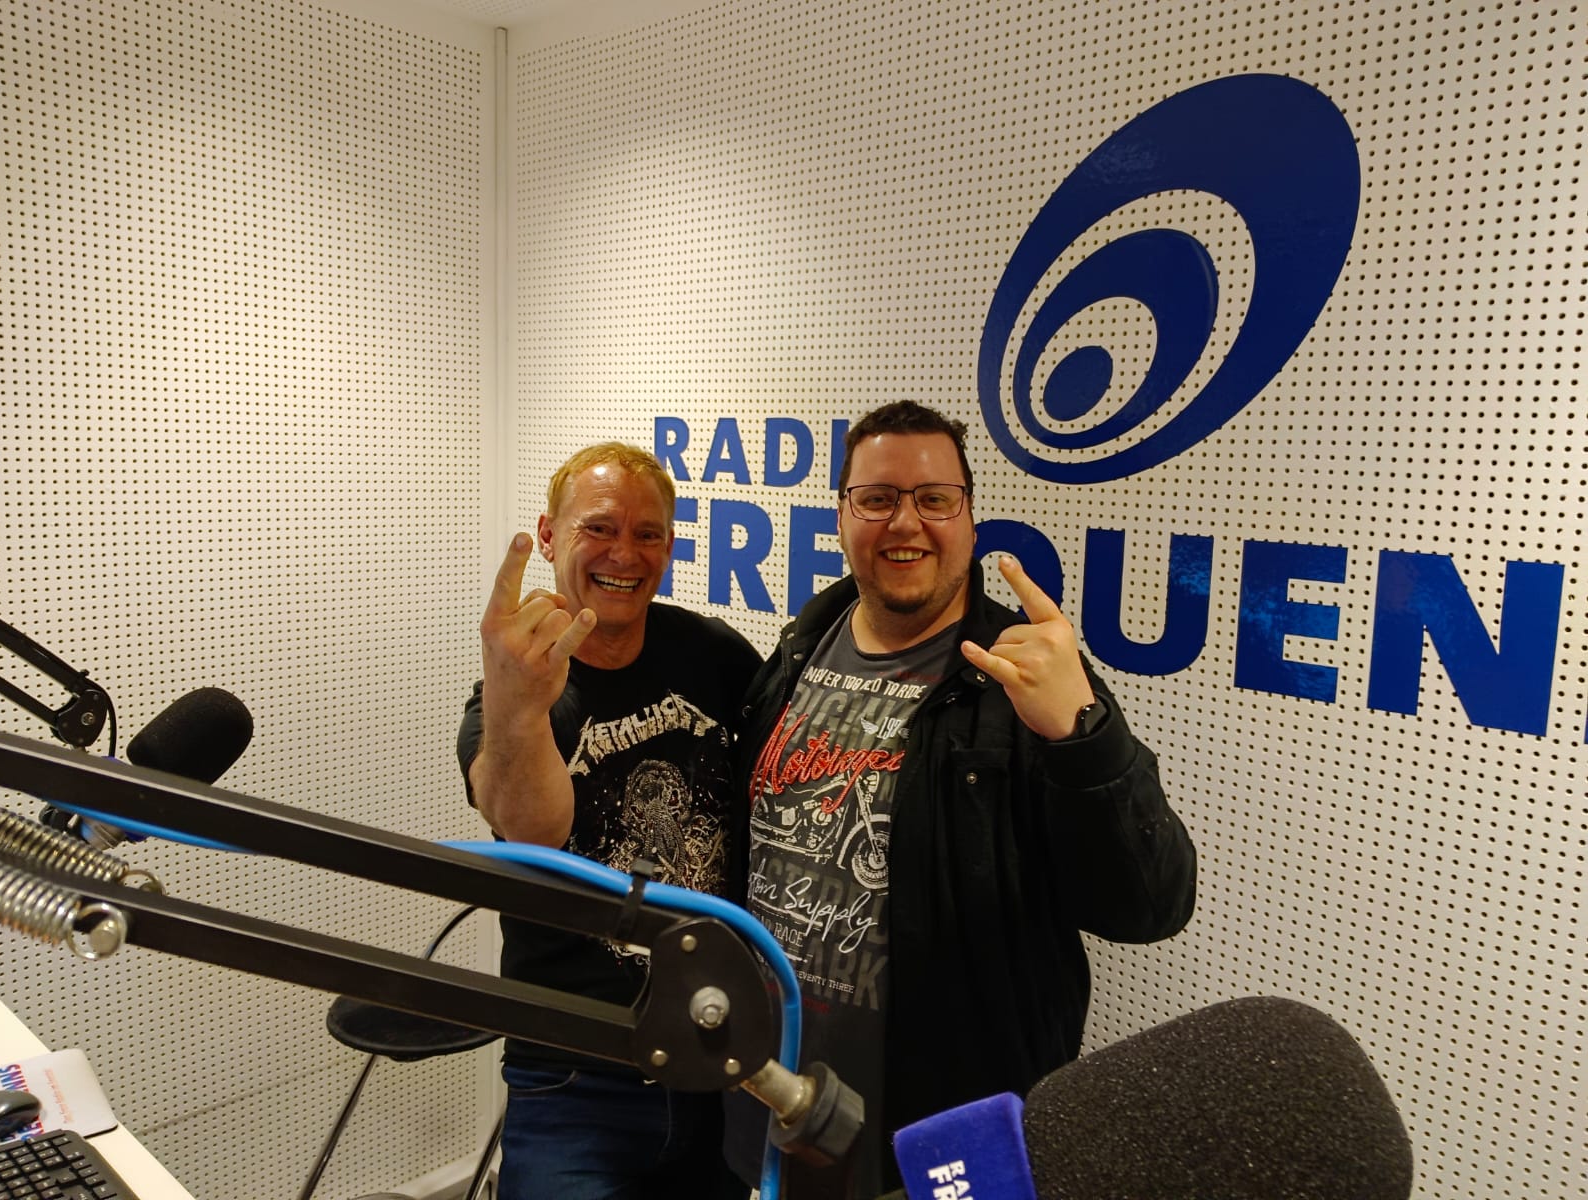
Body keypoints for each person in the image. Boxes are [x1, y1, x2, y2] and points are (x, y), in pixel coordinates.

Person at [726, 401, 1197, 1198]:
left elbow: (1150, 906)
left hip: (936, 1129)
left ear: (969, 519)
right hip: (777, 1102)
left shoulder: (1021, 679)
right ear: (841, 516)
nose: (904, 522)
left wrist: (1081, 733)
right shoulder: (802, 646)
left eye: (934, 499)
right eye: (877, 498)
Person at [457, 442, 762, 1200]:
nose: (624, 553)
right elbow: (529, 828)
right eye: (598, 528)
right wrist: (521, 706)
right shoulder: (514, 688)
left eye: (647, 533)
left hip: (714, 1052)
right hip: (574, 1075)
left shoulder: (712, 654)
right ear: (549, 536)